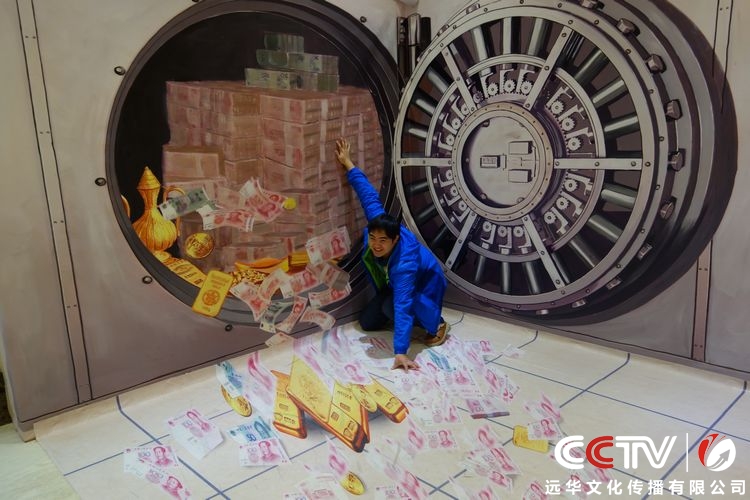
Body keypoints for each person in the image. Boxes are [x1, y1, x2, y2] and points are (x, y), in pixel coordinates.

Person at [336, 138, 449, 371]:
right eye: (373, 239)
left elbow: (403, 304)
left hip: (426, 285)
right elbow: (368, 195)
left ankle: (437, 324)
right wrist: (348, 163)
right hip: (394, 284)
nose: (376, 245)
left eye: (382, 241)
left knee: (394, 307)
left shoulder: (405, 265)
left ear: (395, 240)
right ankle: (410, 319)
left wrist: (400, 352)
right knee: (367, 323)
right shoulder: (380, 225)